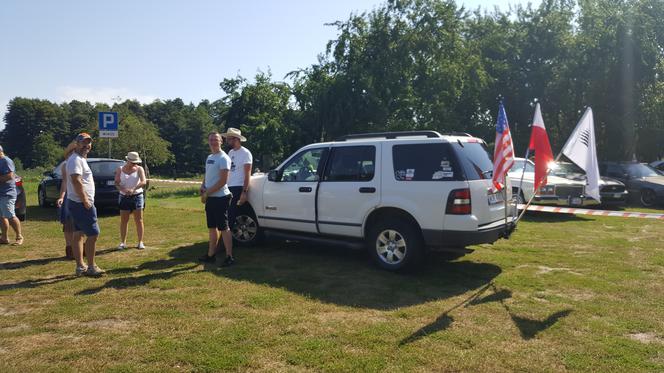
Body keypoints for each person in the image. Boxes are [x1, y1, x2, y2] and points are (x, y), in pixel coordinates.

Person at [66, 133, 104, 276]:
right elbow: (76, 180)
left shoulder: (79, 159)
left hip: (76, 202)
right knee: (93, 234)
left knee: (78, 234)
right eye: (83, 143)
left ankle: (80, 266)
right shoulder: (75, 160)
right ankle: (91, 267)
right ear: (76, 144)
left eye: (88, 143)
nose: (86, 145)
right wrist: (85, 200)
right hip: (81, 203)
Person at [199, 132, 235, 267]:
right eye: (211, 140)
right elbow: (208, 174)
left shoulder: (223, 158)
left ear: (221, 141)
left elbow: (223, 181)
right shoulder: (210, 157)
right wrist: (202, 186)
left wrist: (207, 193)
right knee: (212, 227)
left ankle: (229, 256)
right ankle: (211, 255)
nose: (213, 142)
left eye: (216, 139)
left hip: (221, 198)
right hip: (210, 197)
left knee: (224, 227)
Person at [221, 128, 253, 233]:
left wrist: (244, 192)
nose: (227, 141)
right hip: (228, 187)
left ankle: (224, 243)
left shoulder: (246, 153)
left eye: (228, 139)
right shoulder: (230, 152)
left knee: (229, 216)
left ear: (236, 139)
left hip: (238, 187)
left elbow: (247, 174)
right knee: (225, 214)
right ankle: (226, 240)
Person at [115, 151, 147, 250]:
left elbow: (143, 181)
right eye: (132, 162)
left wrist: (133, 189)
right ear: (127, 160)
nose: (134, 164)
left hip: (137, 196)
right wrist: (123, 190)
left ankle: (140, 242)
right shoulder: (120, 169)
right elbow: (116, 183)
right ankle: (123, 242)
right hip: (124, 196)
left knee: (139, 220)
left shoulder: (139, 169)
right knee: (124, 220)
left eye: (135, 162)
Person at [56, 142, 78, 258]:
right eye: (72, 151)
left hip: (80, 196)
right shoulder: (65, 165)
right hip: (69, 196)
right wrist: (61, 196)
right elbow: (65, 182)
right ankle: (69, 248)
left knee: (80, 224)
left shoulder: (82, 163)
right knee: (68, 224)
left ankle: (79, 248)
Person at [0, 145, 23, 246]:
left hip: (7, 193)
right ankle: (4, 237)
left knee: (10, 215)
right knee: (1, 216)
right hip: (1, 193)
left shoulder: (6, 161)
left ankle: (19, 236)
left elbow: (10, 175)